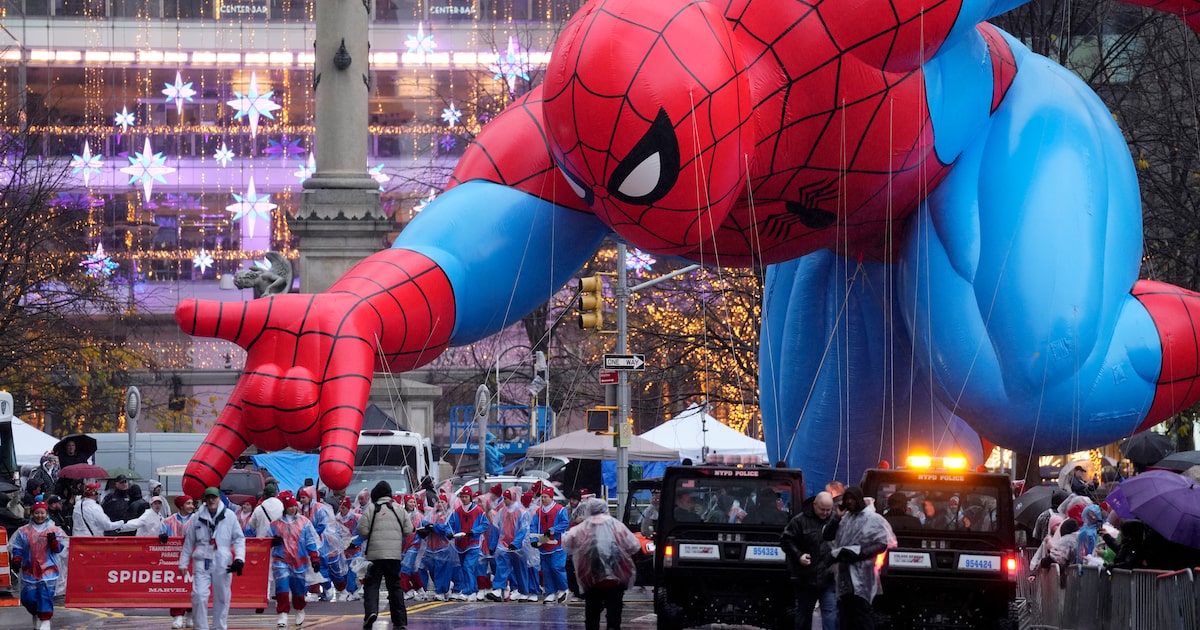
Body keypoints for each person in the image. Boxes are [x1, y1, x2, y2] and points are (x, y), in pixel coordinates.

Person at [561, 498, 641, 630]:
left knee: (592, 614)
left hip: (590, 579)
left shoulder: (582, 528)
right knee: (614, 613)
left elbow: (567, 544)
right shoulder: (617, 526)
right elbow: (634, 546)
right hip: (616, 578)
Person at [179, 488, 246, 630]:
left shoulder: (229, 516)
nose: (211, 500)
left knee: (222, 596)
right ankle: (201, 627)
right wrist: (183, 562)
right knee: (199, 595)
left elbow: (239, 539)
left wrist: (239, 559)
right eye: (208, 497)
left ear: (219, 498)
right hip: (202, 559)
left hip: (222, 559)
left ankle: (219, 627)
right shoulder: (197, 517)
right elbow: (189, 541)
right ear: (204, 499)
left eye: (214, 497)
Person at [829, 486, 894, 630]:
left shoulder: (873, 519)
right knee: (845, 614)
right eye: (847, 499)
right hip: (844, 572)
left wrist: (860, 553)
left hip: (863, 573)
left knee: (862, 613)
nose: (850, 502)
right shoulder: (845, 518)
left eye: (852, 499)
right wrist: (836, 517)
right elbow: (827, 535)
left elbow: (882, 543)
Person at [357, 480, 413, 630]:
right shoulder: (398, 509)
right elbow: (409, 530)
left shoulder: (371, 509)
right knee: (395, 586)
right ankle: (400, 621)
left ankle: (371, 612)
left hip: (374, 555)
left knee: (372, 584)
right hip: (394, 554)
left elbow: (361, 530)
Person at [781, 492, 839, 630]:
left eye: (828, 510)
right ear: (814, 505)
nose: (825, 513)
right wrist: (799, 555)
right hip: (805, 578)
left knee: (831, 615)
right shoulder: (799, 520)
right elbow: (786, 540)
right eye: (822, 509)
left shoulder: (835, 521)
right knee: (803, 616)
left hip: (828, 577)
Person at [12, 501, 68, 630]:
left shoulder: (55, 530)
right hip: (29, 571)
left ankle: (45, 620)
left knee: (44, 596)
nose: (39, 516)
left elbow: (60, 549)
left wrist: (54, 542)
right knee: (29, 598)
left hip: (48, 571)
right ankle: (37, 614)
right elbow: (17, 547)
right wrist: (16, 559)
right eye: (37, 513)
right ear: (32, 514)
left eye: (42, 513)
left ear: (46, 514)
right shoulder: (23, 531)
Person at [268, 492, 319, 627]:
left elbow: (310, 541)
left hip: (299, 562)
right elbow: (266, 541)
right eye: (290, 506)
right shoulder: (275, 525)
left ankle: (300, 609)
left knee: (298, 590)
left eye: (294, 506)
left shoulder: (304, 523)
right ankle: (282, 615)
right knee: (282, 588)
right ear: (284, 507)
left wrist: (314, 557)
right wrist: (272, 542)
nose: (293, 508)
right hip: (281, 561)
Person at [446, 488, 489, 601]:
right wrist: (449, 533)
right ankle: (473, 590)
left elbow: (485, 524)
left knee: (468, 566)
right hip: (460, 543)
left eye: (466, 496)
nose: (464, 499)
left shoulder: (478, 511)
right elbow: (450, 524)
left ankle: (467, 591)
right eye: (462, 497)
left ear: (470, 497)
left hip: (473, 543)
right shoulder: (457, 511)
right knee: (465, 568)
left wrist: (474, 531)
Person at [161, 495, 197, 629]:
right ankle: (177, 616)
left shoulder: (197, 520)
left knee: (193, 587)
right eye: (188, 503)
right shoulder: (168, 521)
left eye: (192, 503)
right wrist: (162, 537)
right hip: (174, 559)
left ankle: (191, 614)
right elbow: (161, 538)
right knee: (176, 587)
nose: (192, 506)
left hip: (193, 558)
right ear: (181, 506)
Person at [530, 486, 570, 603]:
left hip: (557, 544)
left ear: (551, 497)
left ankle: (563, 588)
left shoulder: (560, 509)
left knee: (556, 567)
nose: (543, 499)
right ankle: (550, 592)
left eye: (545, 497)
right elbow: (533, 525)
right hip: (544, 544)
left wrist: (553, 529)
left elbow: (564, 523)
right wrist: (534, 540)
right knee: (546, 569)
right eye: (542, 497)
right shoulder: (538, 511)